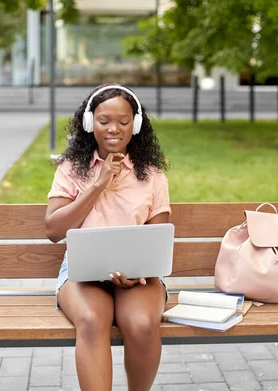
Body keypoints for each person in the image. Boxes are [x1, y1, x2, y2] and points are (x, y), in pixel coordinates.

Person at [45, 84, 170, 391]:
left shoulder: (152, 175)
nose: (114, 129)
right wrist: (98, 185)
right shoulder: (71, 169)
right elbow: (53, 230)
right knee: (91, 319)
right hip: (81, 274)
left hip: (139, 277)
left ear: (136, 125)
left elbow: (158, 238)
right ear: (90, 123)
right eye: (104, 121)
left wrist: (139, 270)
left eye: (124, 121)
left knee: (141, 324)